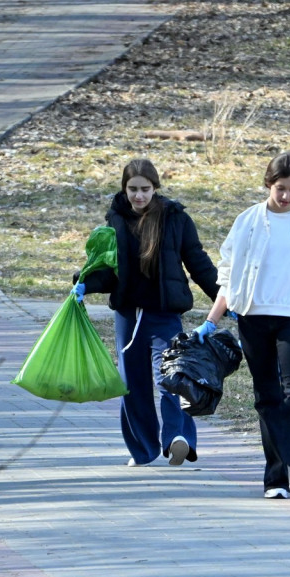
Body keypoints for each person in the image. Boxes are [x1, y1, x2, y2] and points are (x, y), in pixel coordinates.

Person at [199, 152, 290, 498]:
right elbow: (227, 275)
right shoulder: (247, 222)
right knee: (267, 397)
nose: (287, 196)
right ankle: (275, 479)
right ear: (268, 185)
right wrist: (211, 321)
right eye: (280, 188)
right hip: (252, 318)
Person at [73, 159, 219, 467]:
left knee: (171, 378)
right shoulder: (115, 220)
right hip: (128, 316)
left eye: (145, 189)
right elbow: (109, 270)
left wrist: (224, 298)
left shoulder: (175, 219)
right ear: (124, 189)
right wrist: (85, 282)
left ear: (155, 188)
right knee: (131, 384)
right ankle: (143, 450)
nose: (139, 196)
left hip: (164, 315)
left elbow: (198, 262)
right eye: (133, 189)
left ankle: (177, 438)